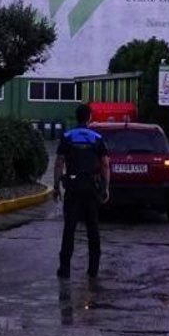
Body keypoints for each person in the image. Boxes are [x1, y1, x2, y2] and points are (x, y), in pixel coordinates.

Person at [53, 104, 109, 279]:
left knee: (69, 227)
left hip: (73, 187)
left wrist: (56, 186)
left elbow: (59, 163)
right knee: (93, 227)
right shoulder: (97, 138)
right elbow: (105, 165)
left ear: (76, 117)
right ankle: (93, 270)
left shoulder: (67, 136)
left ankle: (65, 269)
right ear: (89, 117)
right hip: (91, 187)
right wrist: (105, 187)